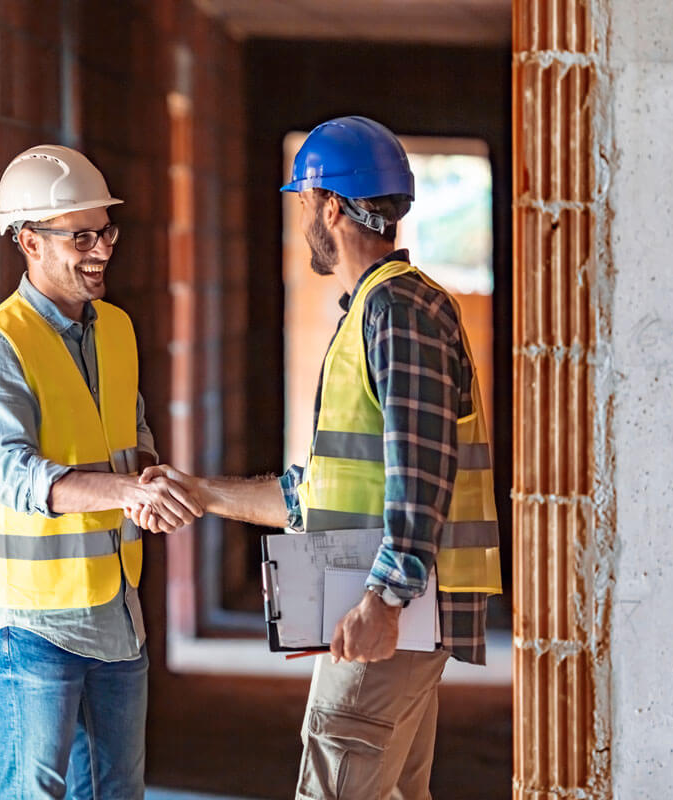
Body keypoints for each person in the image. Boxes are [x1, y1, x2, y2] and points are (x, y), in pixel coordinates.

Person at [135, 116, 503, 800]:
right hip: (387, 612)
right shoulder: (374, 309)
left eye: (305, 203)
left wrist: (385, 599)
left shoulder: (399, 312)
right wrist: (199, 493)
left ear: (331, 205)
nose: (303, 217)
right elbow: (320, 491)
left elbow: (420, 475)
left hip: (390, 613)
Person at [0, 144, 202, 799]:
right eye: (81, 236)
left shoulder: (116, 330)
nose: (101, 250)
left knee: (119, 789)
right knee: (36, 789)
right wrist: (126, 492)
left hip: (115, 611)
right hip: (31, 621)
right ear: (29, 241)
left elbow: (133, 442)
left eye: (106, 232)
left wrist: (155, 485)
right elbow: (15, 477)